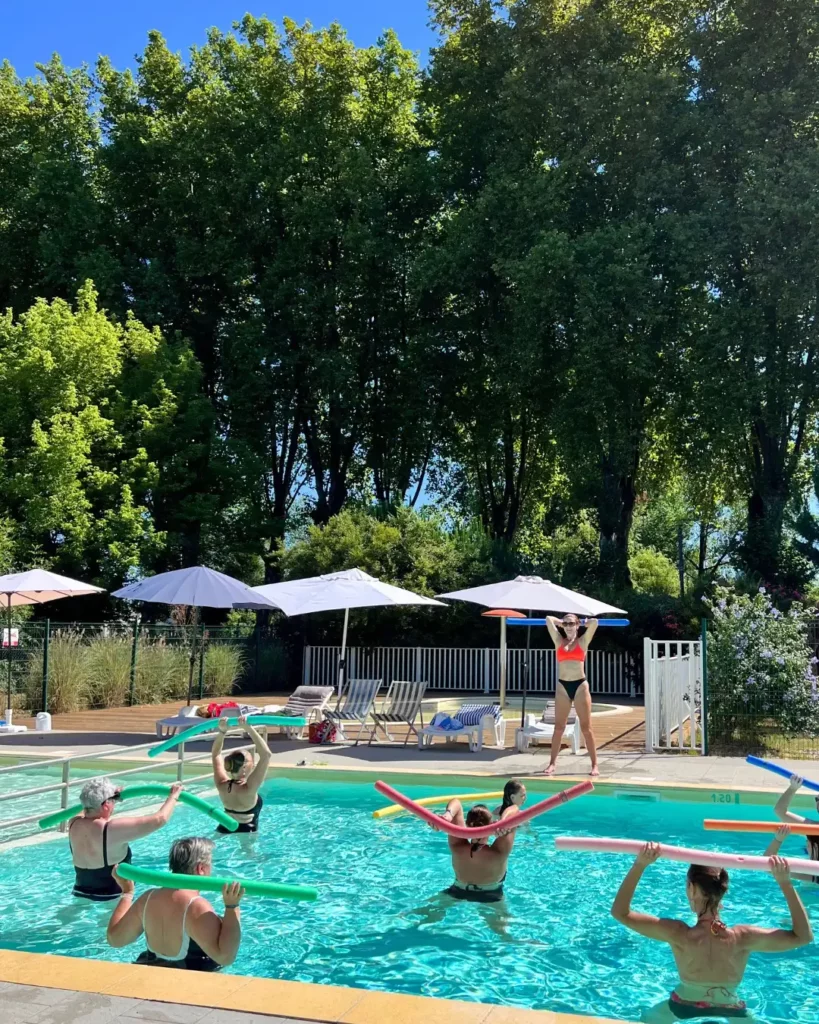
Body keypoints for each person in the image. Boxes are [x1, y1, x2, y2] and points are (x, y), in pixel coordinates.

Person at [611, 842, 813, 1022]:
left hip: (683, 1005)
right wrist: (785, 882)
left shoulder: (678, 934)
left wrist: (640, 864)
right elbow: (803, 937)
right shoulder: (742, 937)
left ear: (690, 889)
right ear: (723, 890)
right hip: (732, 1009)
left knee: (646, 1019)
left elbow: (620, 912)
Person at [107, 836, 244, 970]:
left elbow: (115, 940)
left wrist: (127, 893)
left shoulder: (148, 898)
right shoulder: (196, 906)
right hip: (188, 982)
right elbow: (226, 957)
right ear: (200, 869)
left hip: (152, 972)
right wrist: (232, 906)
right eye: (210, 865)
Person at [68, 778, 182, 902]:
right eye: (113, 801)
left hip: (79, 893)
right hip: (112, 898)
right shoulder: (111, 829)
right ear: (106, 805)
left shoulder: (73, 823)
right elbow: (159, 819)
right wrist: (173, 796)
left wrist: (111, 797)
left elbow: (88, 808)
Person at [543, 613, 599, 777]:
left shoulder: (583, 641)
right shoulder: (558, 641)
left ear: (577, 625)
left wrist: (586, 622)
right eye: (566, 624)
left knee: (586, 728)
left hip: (580, 685)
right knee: (559, 728)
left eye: (571, 623)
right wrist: (559, 622)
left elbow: (595, 623)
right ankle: (552, 763)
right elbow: (548, 619)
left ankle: (595, 765)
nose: (568, 626)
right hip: (562, 686)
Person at [211, 715, 271, 833]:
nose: (253, 763)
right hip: (247, 830)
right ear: (244, 767)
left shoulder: (221, 783)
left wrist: (222, 731)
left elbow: (216, 754)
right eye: (251, 760)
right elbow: (266, 755)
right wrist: (248, 728)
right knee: (248, 851)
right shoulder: (250, 787)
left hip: (225, 826)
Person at [771, 773, 819, 871]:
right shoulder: (812, 828)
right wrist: (793, 788)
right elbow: (780, 811)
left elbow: (780, 811)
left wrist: (793, 788)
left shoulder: (813, 828)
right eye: (817, 799)